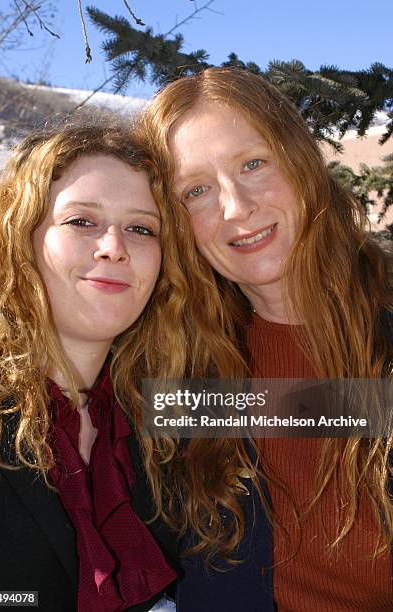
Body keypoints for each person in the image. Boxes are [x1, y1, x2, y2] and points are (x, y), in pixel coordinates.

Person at [140, 67, 393, 610]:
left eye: (253, 164)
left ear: (300, 162)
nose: (236, 206)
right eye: (197, 190)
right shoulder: (175, 368)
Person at [0, 122, 245, 611]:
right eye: (81, 221)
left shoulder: (155, 404)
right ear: (20, 239)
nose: (114, 246)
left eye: (141, 228)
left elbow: (341, 409)